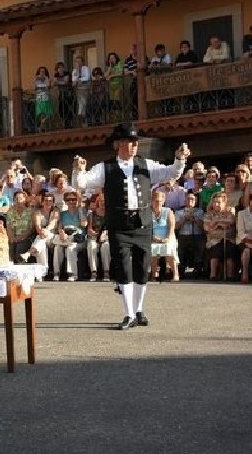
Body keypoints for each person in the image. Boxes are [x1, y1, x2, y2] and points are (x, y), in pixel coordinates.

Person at [75, 124, 189, 329]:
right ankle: (128, 314)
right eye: (130, 141)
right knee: (124, 268)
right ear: (119, 144)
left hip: (142, 224)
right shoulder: (105, 167)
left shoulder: (146, 164)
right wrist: (78, 169)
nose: (135, 145)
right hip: (119, 225)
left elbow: (171, 172)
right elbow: (82, 183)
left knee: (142, 267)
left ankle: (138, 310)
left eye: (136, 142)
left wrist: (180, 158)